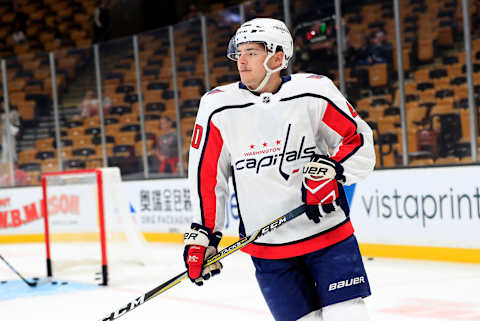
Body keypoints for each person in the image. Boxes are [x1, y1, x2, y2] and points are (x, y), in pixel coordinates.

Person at [183, 18, 375, 321]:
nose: (241, 61)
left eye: (251, 52)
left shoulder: (314, 91)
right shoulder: (217, 107)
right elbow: (207, 176)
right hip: (269, 251)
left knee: (349, 315)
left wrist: (333, 169)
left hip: (328, 235)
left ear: (277, 57)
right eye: (239, 52)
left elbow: (357, 140)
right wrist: (203, 236)